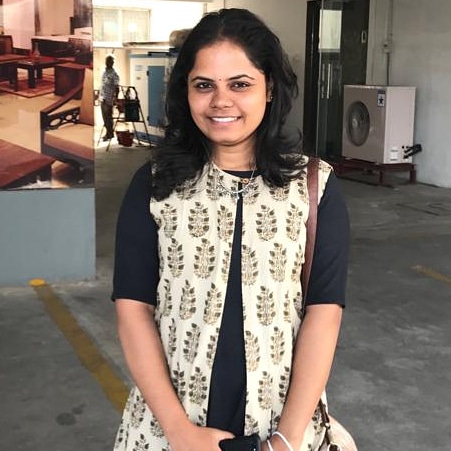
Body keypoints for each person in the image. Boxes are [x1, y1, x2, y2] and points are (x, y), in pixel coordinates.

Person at [112, 8, 350, 451]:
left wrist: (286, 439)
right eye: (204, 85)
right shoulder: (155, 184)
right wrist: (179, 432)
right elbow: (133, 310)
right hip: (168, 429)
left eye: (240, 84)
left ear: (270, 88)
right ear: (186, 91)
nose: (221, 101)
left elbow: (324, 313)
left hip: (281, 427)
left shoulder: (314, 188)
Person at [100, 54, 120, 141]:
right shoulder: (104, 72)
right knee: (104, 118)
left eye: (110, 61)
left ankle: (110, 134)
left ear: (112, 63)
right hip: (102, 98)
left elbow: (117, 87)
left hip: (109, 99)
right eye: (107, 61)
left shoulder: (114, 74)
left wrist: (115, 98)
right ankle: (108, 133)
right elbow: (102, 84)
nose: (108, 63)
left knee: (108, 118)